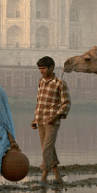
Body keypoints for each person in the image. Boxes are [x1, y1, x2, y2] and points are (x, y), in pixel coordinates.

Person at [31, 56, 71, 185]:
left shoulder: (60, 83)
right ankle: (58, 177)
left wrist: (56, 116)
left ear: (51, 68)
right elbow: (39, 102)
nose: (41, 71)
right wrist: (35, 118)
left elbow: (66, 103)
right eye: (40, 69)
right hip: (41, 121)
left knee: (46, 149)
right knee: (48, 148)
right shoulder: (41, 82)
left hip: (52, 122)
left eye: (43, 68)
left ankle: (44, 176)